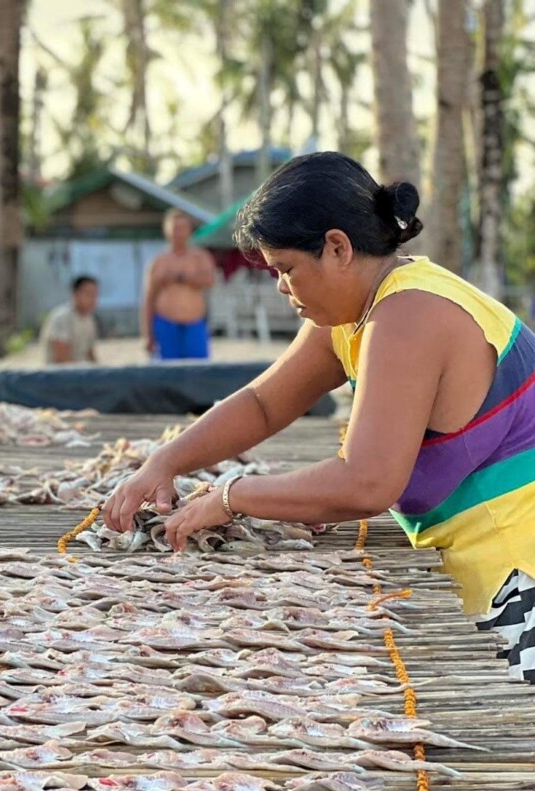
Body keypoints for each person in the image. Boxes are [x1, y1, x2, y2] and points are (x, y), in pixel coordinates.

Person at [103, 151, 535, 682]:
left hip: (518, 581)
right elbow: (264, 403)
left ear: (338, 247)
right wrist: (164, 462)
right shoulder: (358, 310)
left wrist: (232, 496)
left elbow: (366, 483)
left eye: (286, 269)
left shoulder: (409, 315)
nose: (282, 288)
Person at [142, 209, 217, 360]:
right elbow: (149, 299)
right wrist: (147, 334)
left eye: (183, 228)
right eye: (175, 228)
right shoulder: (158, 261)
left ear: (189, 230)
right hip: (166, 324)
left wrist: (181, 277)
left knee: (199, 371)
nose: (179, 233)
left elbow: (209, 280)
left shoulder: (200, 257)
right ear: (167, 231)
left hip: (194, 323)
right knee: (168, 374)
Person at [40, 275, 100, 365]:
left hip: (81, 373)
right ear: (76, 294)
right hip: (60, 375)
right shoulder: (61, 318)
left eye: (95, 295)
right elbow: (62, 359)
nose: (93, 299)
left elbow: (89, 353)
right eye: (89, 294)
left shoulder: (89, 320)